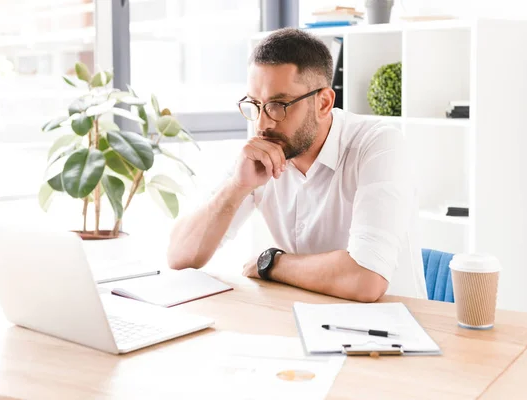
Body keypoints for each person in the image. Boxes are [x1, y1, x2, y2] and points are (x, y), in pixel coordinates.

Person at [167, 28, 426, 302]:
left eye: (279, 105)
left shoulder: (379, 144)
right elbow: (179, 256)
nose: (263, 123)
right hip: (307, 320)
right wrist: (237, 187)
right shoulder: (265, 150)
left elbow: (365, 280)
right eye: (255, 104)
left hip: (393, 332)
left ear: (323, 102)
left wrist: (271, 263)